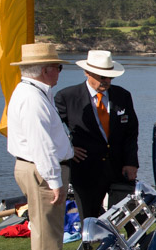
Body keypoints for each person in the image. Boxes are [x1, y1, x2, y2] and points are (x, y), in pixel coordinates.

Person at [6, 43, 74, 250]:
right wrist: (54, 179)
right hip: (41, 170)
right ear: (46, 70)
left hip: (37, 168)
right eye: (58, 67)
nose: (60, 71)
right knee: (47, 236)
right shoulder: (32, 98)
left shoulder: (31, 92)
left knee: (49, 232)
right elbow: (41, 144)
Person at [55, 50, 140, 224]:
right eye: (102, 77)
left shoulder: (123, 96)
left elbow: (131, 131)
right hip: (85, 170)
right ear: (87, 72)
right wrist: (68, 149)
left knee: (130, 219)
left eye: (110, 77)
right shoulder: (66, 97)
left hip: (119, 169)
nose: (106, 81)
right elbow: (53, 130)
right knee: (90, 220)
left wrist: (131, 162)